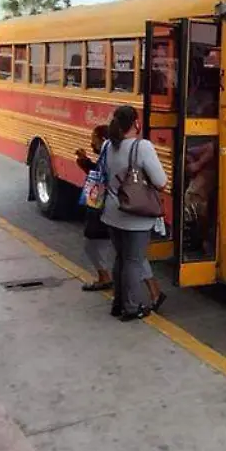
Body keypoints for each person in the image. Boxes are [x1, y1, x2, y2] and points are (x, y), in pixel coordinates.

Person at [101, 106, 168, 320]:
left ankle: (118, 303)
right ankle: (131, 307)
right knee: (133, 261)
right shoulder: (142, 147)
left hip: (111, 212)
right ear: (136, 124)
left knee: (121, 258)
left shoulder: (106, 146)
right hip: (135, 215)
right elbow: (161, 182)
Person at [76, 126, 113, 292]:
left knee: (91, 244)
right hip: (104, 206)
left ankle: (104, 277)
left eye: (94, 138)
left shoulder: (108, 155)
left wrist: (85, 163)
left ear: (102, 139)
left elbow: (100, 176)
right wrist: (85, 162)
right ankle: (105, 276)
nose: (92, 143)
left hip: (101, 206)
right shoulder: (109, 154)